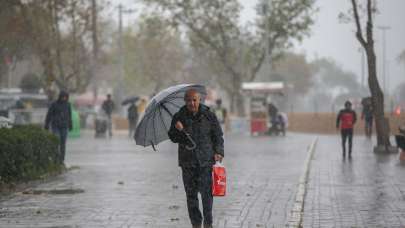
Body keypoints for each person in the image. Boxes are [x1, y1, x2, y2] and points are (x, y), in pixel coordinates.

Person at [168, 89, 224, 228]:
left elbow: (218, 135)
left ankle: (208, 223)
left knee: (207, 195)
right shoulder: (178, 117)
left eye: (194, 100)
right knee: (191, 196)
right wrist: (178, 130)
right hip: (188, 163)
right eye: (189, 100)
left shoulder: (209, 115)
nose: (192, 103)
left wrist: (219, 152)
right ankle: (196, 223)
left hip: (206, 161)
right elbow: (173, 137)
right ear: (185, 101)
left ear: (199, 100)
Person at [44, 91, 72, 163]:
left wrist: (70, 124)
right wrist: (46, 124)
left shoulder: (68, 105)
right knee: (56, 141)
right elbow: (49, 114)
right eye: (63, 97)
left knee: (63, 143)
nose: (64, 98)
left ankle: (61, 159)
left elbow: (69, 115)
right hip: (55, 126)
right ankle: (55, 158)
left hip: (64, 126)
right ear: (60, 97)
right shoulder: (54, 104)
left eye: (65, 97)